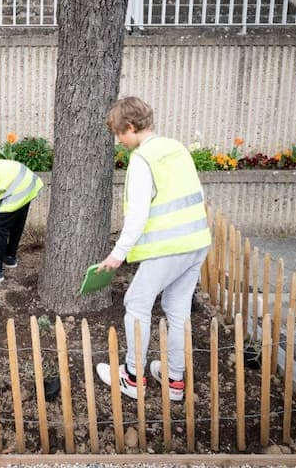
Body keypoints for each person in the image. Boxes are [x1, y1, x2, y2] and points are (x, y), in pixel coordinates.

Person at [94, 96, 211, 401]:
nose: (119, 140)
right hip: (197, 242)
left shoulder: (143, 160)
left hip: (169, 247)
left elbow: (137, 215)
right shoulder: (176, 148)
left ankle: (132, 378)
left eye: (120, 133)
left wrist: (117, 255)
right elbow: (197, 192)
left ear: (131, 126)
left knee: (136, 303)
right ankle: (174, 381)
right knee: (177, 308)